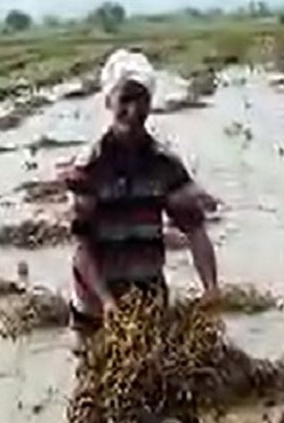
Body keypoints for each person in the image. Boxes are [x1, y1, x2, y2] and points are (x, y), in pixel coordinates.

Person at [64, 49, 219, 336]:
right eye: (125, 100)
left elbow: (195, 229)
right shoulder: (89, 168)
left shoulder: (164, 165)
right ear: (108, 101)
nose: (134, 111)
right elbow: (82, 247)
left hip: (149, 303)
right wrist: (108, 303)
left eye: (142, 99)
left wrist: (211, 287)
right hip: (96, 309)